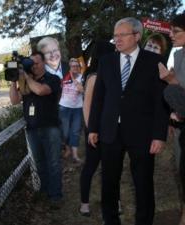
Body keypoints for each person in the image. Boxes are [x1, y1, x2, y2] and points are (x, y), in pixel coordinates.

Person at [88, 17, 169, 225]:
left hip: (141, 133)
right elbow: (98, 98)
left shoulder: (153, 62)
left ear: (137, 36)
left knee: (143, 183)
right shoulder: (107, 61)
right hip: (109, 131)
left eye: (122, 35)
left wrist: (159, 135)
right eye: (115, 36)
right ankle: (111, 220)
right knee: (109, 182)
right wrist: (93, 128)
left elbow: (160, 102)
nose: (117, 40)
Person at [9, 51, 63, 207]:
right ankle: (46, 191)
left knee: (53, 163)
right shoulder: (26, 82)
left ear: (44, 63)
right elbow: (14, 100)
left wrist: (26, 77)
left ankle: (56, 195)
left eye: (36, 63)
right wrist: (14, 80)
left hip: (50, 127)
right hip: (32, 129)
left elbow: (41, 90)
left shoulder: (53, 79)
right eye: (30, 63)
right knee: (40, 163)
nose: (33, 66)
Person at [79, 40, 118, 217]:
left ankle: (114, 202)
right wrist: (90, 132)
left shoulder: (108, 74)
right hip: (95, 132)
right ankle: (84, 204)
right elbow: (87, 107)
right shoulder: (94, 76)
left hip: (109, 130)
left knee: (112, 169)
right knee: (91, 167)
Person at [158, 13, 185, 225]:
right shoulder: (177, 55)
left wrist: (170, 80)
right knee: (181, 168)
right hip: (180, 124)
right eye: (171, 31)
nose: (171, 35)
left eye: (176, 32)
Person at [59, 58, 84, 162]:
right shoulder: (63, 76)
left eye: (77, 66)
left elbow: (81, 89)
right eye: (73, 66)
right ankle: (68, 149)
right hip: (64, 107)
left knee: (75, 131)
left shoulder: (82, 77)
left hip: (77, 109)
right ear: (70, 67)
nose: (75, 68)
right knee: (65, 132)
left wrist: (73, 78)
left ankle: (75, 155)